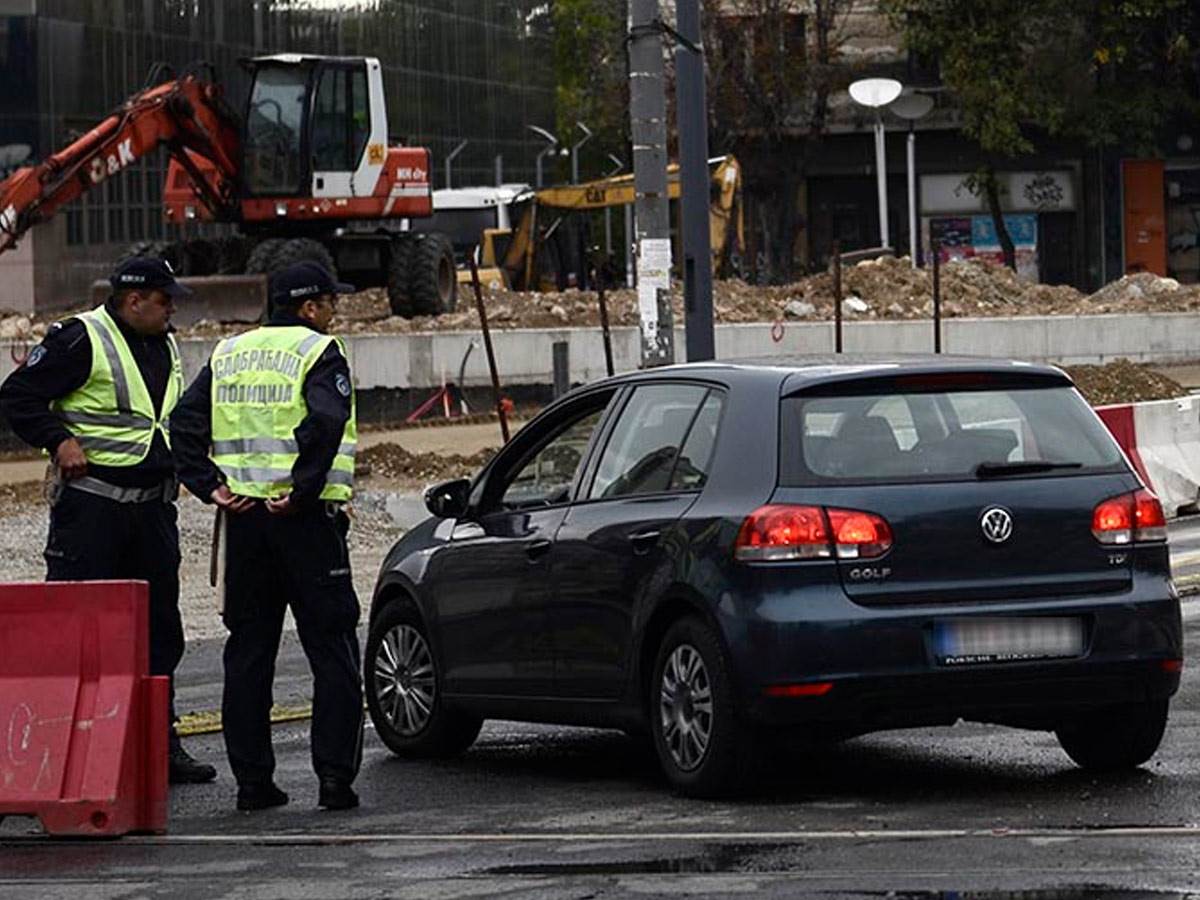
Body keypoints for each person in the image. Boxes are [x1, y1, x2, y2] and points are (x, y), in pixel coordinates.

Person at [0, 257, 217, 785]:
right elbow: (17, 395)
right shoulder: (82, 338)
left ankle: (158, 746)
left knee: (159, 631)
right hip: (93, 510)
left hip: (152, 511)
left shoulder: (163, 343)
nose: (172, 310)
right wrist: (59, 440)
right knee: (78, 629)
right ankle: (60, 750)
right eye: (165, 300)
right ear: (133, 300)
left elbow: (164, 419)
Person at [171, 261, 363, 812]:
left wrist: (211, 487)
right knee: (331, 649)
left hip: (246, 524)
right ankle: (334, 780)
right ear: (308, 307)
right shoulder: (319, 351)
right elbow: (325, 424)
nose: (334, 312)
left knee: (249, 654)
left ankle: (253, 784)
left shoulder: (228, 353)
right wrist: (302, 491)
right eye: (330, 302)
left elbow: (185, 425)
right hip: (304, 524)